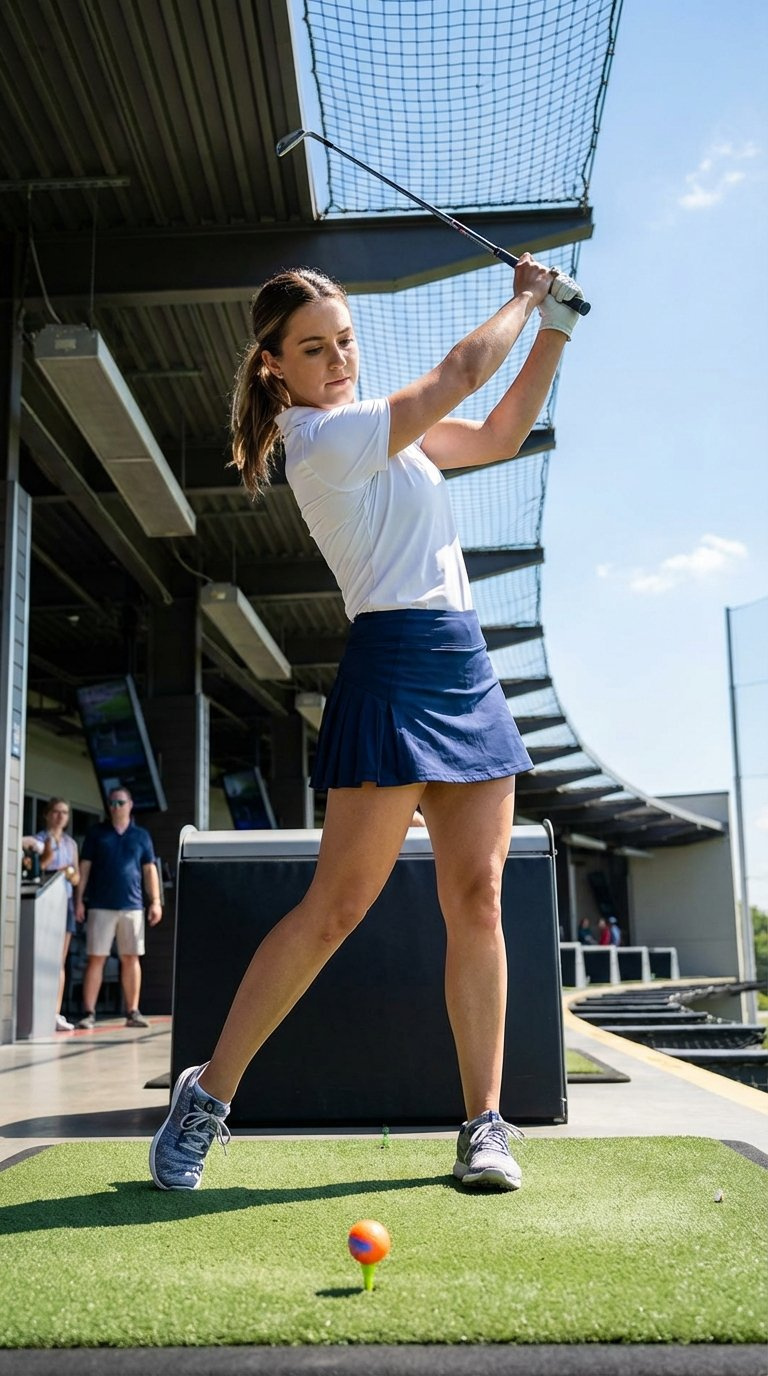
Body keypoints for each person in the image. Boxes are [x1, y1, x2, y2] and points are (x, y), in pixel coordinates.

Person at [150, 254, 585, 1193]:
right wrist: (524, 297)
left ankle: (486, 1126)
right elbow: (463, 376)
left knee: (478, 901)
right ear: (276, 368)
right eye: (314, 348)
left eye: (344, 339)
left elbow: (504, 431)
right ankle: (208, 1096)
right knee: (337, 908)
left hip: (462, 665)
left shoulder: (397, 439)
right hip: (389, 667)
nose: (338, 357)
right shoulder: (324, 439)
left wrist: (557, 328)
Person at [75, 786, 163, 1029]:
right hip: (100, 905)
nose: (116, 807)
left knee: (131, 957)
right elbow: (84, 868)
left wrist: (155, 901)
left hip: (132, 905)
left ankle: (132, 1011)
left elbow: (149, 870)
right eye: (112, 803)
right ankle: (89, 1013)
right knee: (96, 958)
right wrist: (78, 900)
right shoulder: (96, 833)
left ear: (130, 804)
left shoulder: (142, 836)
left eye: (120, 802)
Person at [22, 798, 80, 1031]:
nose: (60, 816)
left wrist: (70, 877)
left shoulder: (71, 844)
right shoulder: (36, 840)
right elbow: (39, 866)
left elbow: (76, 877)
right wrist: (49, 850)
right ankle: (39, 1011)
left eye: (64, 812)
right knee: (39, 959)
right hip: (43, 904)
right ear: (47, 814)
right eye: (56, 812)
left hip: (64, 902)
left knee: (59, 962)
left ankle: (55, 1012)